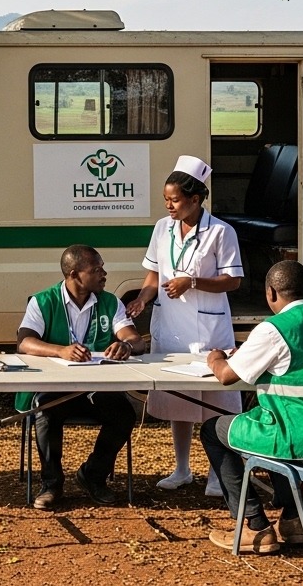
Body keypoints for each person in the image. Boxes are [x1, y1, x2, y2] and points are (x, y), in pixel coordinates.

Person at [199, 261, 303, 553]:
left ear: (271, 292)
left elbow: (226, 376)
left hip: (297, 439)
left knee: (212, 430)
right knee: (267, 422)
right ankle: (296, 518)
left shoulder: (273, 329)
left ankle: (253, 525)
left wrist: (216, 358)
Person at [125, 155, 243, 497]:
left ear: (195, 199)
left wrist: (192, 281)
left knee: (213, 402)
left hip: (208, 330)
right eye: (166, 200)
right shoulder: (163, 228)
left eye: (175, 200)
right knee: (180, 399)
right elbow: (153, 272)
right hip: (172, 325)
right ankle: (182, 468)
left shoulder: (221, 232)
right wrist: (143, 299)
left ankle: (217, 473)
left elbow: (232, 281)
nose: (169, 206)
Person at [17, 245, 145, 509]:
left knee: (124, 414)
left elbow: (136, 340)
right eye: (96, 269)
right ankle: (52, 484)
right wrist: (60, 350)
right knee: (46, 412)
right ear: (75, 275)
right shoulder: (43, 301)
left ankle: (93, 475)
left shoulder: (110, 302)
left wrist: (127, 346)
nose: (104, 273)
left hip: (96, 387)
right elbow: (25, 342)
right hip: (57, 387)